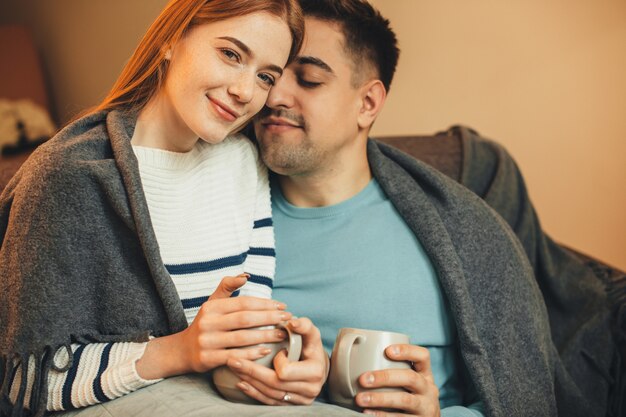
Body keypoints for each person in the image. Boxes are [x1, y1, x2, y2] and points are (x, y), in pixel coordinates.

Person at [222, 0, 618, 416]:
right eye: (272, 75)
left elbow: (524, 397)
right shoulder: (220, 217)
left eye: (309, 79)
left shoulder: (463, 235)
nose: (274, 96)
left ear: (368, 104)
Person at [0, 0, 305, 415]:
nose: (245, 91)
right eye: (231, 54)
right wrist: (178, 351)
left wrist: (294, 363)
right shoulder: (68, 176)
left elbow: (249, 336)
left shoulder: (244, 163)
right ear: (170, 41)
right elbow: (27, 381)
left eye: (265, 76)